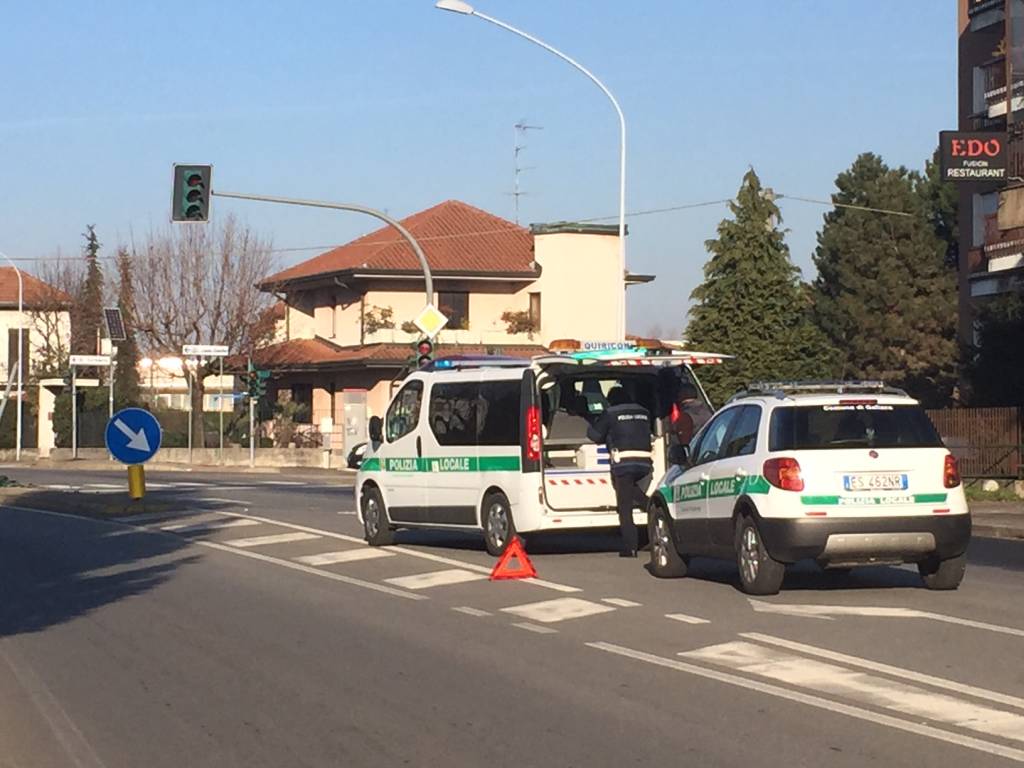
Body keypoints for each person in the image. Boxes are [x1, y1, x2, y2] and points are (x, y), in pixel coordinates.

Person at [587, 386, 653, 558]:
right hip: (645, 462)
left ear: (611, 400)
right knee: (634, 493)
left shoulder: (610, 413)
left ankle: (631, 547)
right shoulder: (644, 411)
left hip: (623, 463)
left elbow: (594, 436)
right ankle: (652, 508)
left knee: (624, 506)